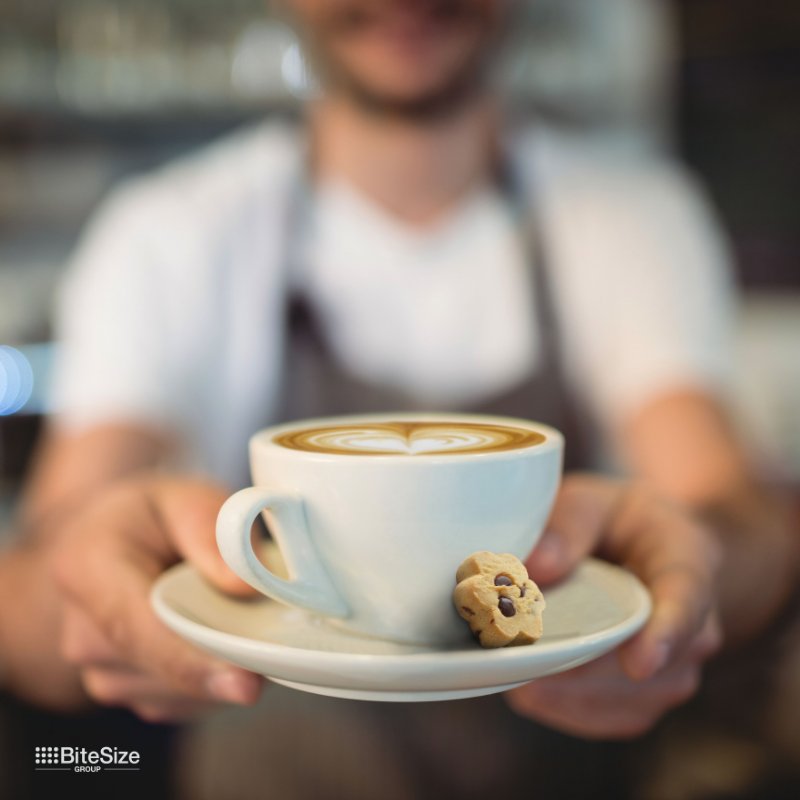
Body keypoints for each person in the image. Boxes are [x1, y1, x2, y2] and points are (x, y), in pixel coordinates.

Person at [0, 0, 796, 792]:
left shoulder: (632, 220)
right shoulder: (169, 235)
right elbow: (35, 591)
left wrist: (698, 567)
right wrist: (83, 596)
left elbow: (733, 504)